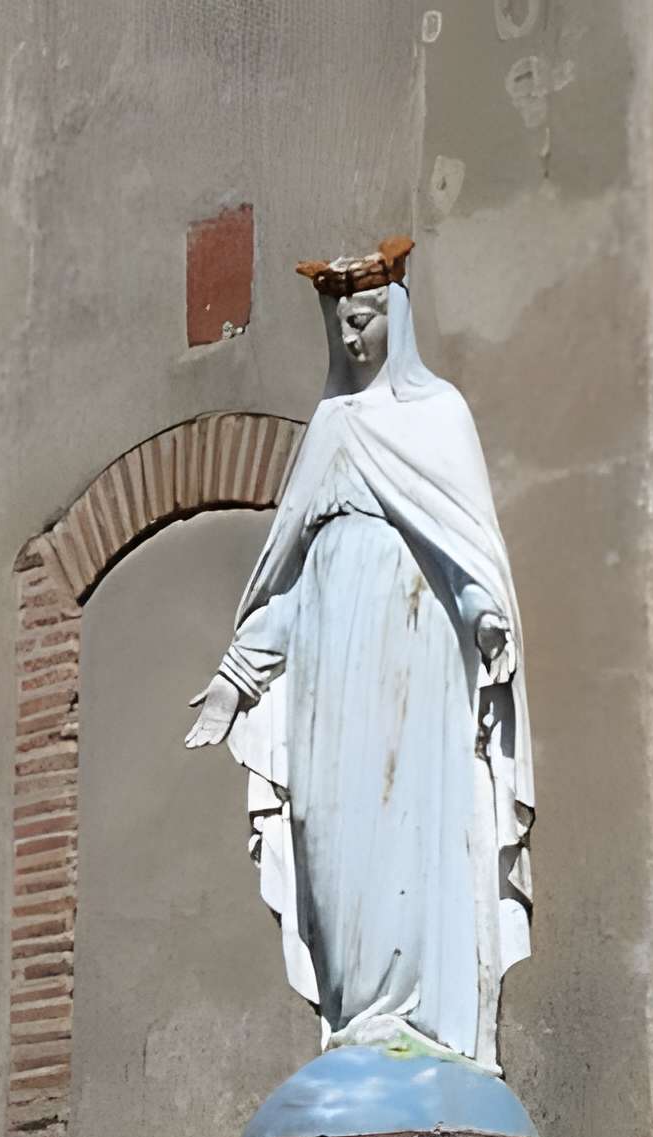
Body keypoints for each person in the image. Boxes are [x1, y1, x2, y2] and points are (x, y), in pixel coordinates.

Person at [182, 239, 534, 1074]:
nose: (352, 340)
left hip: (410, 673)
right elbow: (289, 582)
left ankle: (409, 1016)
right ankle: (353, 1016)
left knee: (405, 830)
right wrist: (235, 681)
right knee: (326, 833)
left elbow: (468, 550)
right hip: (326, 683)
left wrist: (486, 615)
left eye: (366, 320)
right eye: (340, 325)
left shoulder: (438, 417)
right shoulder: (332, 427)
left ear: (396, 319)